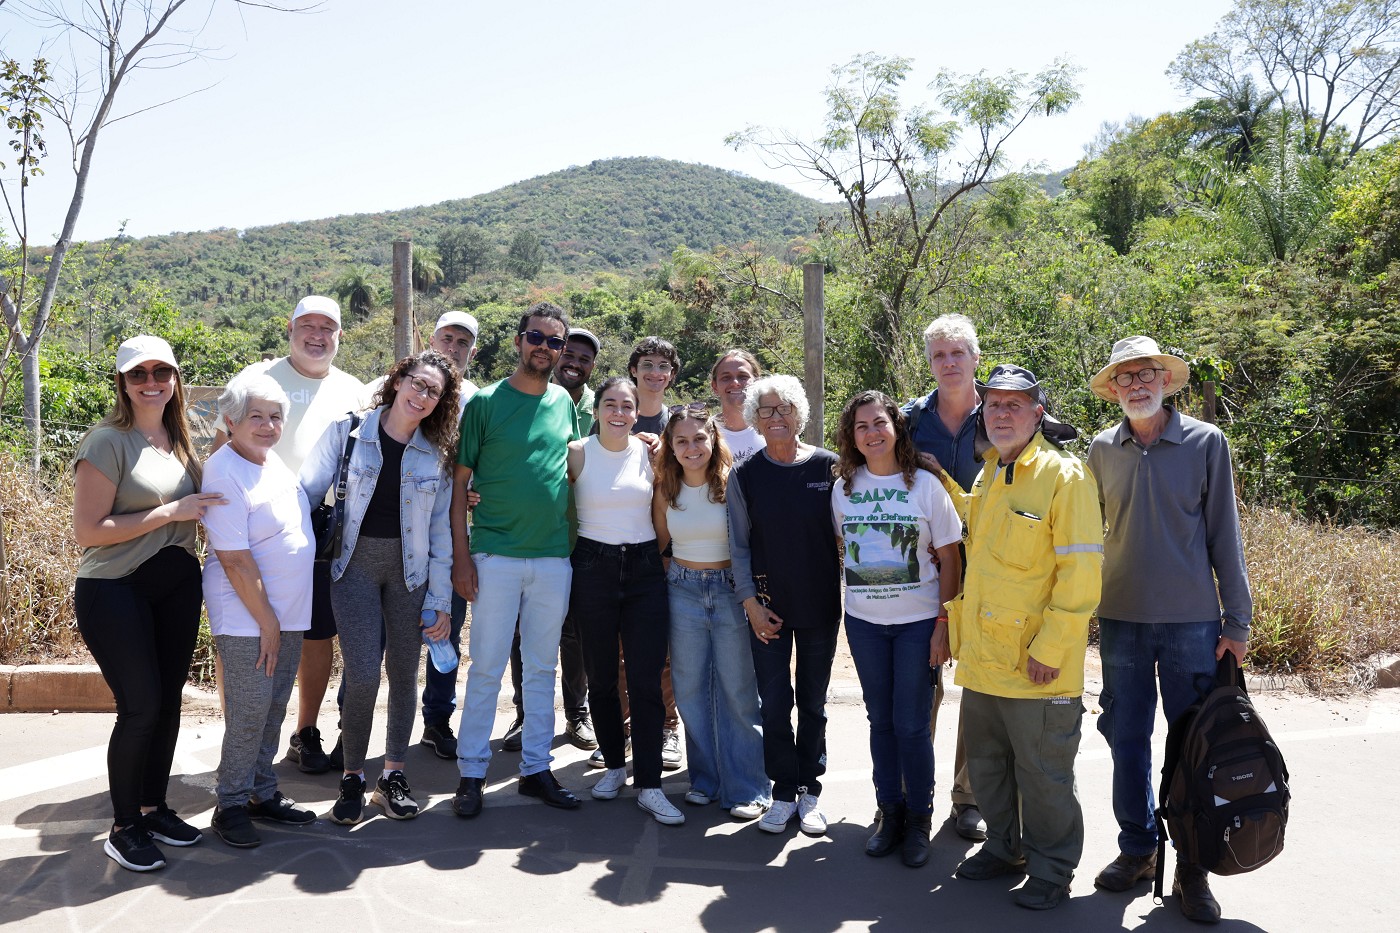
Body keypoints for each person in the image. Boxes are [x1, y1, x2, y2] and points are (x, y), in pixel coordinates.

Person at [1086, 336, 1252, 924]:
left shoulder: (1207, 443)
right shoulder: (1101, 450)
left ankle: (1192, 867)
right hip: (1121, 620)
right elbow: (1085, 538)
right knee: (1125, 739)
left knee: (1192, 748)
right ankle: (1136, 849)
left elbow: (1223, 536)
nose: (1136, 384)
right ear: (1113, 389)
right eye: (1125, 377)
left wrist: (1238, 620)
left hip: (1193, 622)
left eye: (1147, 373)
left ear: (1165, 380)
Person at [950, 364, 1103, 911]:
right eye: (993, 405)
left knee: (1043, 776)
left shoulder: (1066, 476)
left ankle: (1052, 869)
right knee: (989, 765)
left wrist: (1051, 648)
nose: (1002, 413)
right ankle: (1006, 847)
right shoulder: (989, 472)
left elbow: (1082, 576)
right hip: (985, 658)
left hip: (1038, 663)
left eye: (1015, 405)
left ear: (1038, 413)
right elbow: (978, 531)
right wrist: (934, 479)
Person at [72, 335, 227, 872]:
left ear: (176, 379)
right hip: (115, 588)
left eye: (162, 371)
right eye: (139, 374)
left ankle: (154, 807)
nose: (151, 381)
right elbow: (88, 532)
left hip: (176, 587)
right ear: (123, 382)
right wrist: (170, 511)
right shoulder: (107, 442)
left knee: (166, 706)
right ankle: (124, 827)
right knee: (138, 707)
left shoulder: (180, 439)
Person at [300, 351, 459, 825]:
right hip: (353, 568)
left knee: (405, 674)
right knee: (365, 674)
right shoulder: (347, 433)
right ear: (397, 381)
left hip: (411, 574)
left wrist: (439, 598)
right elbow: (306, 494)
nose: (423, 395)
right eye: (418, 383)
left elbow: (440, 535)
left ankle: (392, 777)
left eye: (435, 391)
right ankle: (352, 777)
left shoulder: (437, 454)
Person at [221, 295, 366, 775]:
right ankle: (240, 736)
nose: (317, 335)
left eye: (329, 327)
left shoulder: (355, 390)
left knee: (313, 632)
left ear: (340, 335)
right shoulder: (256, 379)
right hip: (254, 532)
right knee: (244, 632)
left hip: (324, 535)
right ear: (290, 328)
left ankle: (304, 732)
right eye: (308, 325)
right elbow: (224, 446)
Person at [450, 301, 583, 817]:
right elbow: (461, 484)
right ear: (517, 340)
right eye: (536, 337)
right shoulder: (484, 403)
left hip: (553, 558)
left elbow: (574, 468)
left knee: (542, 668)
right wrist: (462, 558)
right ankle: (471, 773)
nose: (544, 348)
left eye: (555, 341)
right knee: (485, 668)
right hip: (495, 555)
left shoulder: (563, 404)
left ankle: (535, 770)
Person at [832, 390, 964, 867]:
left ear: (896, 427)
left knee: (911, 726)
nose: (872, 432)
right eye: (861, 426)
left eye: (879, 422)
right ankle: (888, 812)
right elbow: (843, 551)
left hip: (918, 624)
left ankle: (918, 820)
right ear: (852, 436)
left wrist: (943, 622)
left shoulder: (926, 486)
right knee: (880, 722)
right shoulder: (843, 489)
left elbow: (949, 557)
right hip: (865, 624)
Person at [202, 373, 317, 848]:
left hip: (286, 611)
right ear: (230, 421)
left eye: (276, 417)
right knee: (249, 711)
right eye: (257, 417)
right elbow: (232, 557)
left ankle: (260, 791)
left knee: (272, 708)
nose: (268, 426)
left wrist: (279, 618)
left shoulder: (271, 463)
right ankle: (229, 803)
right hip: (249, 612)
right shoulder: (224, 469)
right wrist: (267, 620)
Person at [567, 377, 685, 825]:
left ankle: (650, 784)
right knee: (600, 677)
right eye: (610, 404)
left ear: (638, 413)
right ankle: (615, 766)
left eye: (627, 405)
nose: (619, 412)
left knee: (646, 680)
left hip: (644, 569)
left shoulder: (652, 453)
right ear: (596, 409)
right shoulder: (576, 453)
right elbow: (539, 491)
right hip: (590, 567)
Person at [728, 374, 841, 835]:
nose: (776, 417)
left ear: (801, 414)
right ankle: (782, 792)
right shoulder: (745, 474)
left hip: (820, 606)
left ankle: (810, 791)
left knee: (813, 703)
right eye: (767, 410)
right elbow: (737, 546)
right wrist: (750, 604)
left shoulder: (829, 468)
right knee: (775, 704)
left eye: (785, 408)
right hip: (767, 607)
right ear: (755, 418)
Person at [653, 403, 771, 821]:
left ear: (713, 439)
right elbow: (661, 545)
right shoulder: (665, 487)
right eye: (681, 440)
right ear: (670, 445)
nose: (691, 447)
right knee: (689, 690)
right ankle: (705, 779)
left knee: (737, 690)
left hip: (729, 591)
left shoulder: (733, 482)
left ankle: (749, 787)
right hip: (682, 590)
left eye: (699, 438)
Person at [900, 312, 987, 841]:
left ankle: (968, 796)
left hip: (994, 570)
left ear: (976, 357)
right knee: (921, 683)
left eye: (958, 353)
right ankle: (913, 794)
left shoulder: (1006, 410)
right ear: (929, 362)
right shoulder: (910, 421)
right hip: (927, 568)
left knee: (977, 683)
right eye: (939, 355)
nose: (949, 363)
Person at [496, 327, 601, 754]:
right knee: (524, 634)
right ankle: (525, 716)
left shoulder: (604, 404)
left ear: (594, 366)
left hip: (585, 537)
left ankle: (578, 713)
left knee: (575, 634)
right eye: (567, 353)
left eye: (584, 357)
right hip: (533, 536)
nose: (574, 362)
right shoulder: (531, 399)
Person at [418, 310, 483, 761]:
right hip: (392, 537)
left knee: (445, 630)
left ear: (472, 352)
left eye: (463, 342)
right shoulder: (403, 385)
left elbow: (487, 461)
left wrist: (479, 488)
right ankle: (354, 729)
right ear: (430, 339)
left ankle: (437, 722)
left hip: (451, 538)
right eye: (447, 337)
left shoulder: (479, 402)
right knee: (385, 638)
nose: (453, 347)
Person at [711, 349, 765, 461]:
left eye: (743, 376)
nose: (735, 383)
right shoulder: (704, 432)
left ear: (757, 382)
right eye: (726, 377)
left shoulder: (772, 428)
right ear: (715, 386)